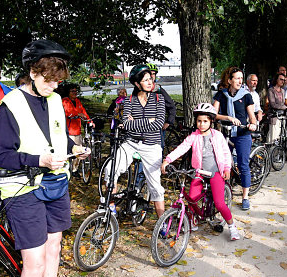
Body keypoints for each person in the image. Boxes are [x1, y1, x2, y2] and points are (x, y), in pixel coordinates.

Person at [0, 40, 89, 277]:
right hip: (22, 188)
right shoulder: (11, 105)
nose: (53, 85)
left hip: (55, 184)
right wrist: (38, 160)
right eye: (48, 79)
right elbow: (0, 156)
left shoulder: (57, 99)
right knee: (33, 262)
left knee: (54, 249)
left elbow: (57, 138)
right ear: (33, 72)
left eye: (58, 80)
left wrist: (75, 148)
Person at [161, 103, 240, 240]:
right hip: (199, 172)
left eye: (205, 121)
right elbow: (182, 148)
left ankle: (232, 226)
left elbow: (226, 153)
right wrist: (168, 160)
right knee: (191, 197)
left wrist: (226, 168)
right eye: (199, 121)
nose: (201, 124)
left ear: (211, 121)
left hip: (216, 172)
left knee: (220, 203)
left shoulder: (218, 136)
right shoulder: (194, 136)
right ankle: (193, 219)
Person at [104, 64, 166, 219]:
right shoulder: (129, 100)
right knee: (110, 169)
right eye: (146, 80)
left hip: (151, 145)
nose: (151, 82)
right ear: (138, 84)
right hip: (131, 143)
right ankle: (110, 207)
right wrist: (148, 120)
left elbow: (159, 124)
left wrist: (135, 122)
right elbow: (126, 124)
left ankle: (162, 222)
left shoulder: (159, 98)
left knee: (155, 187)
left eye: (151, 79)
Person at [213, 66, 258, 211]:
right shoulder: (221, 94)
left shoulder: (246, 95)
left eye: (241, 78)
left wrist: (253, 124)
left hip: (242, 134)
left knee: (243, 165)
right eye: (237, 78)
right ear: (229, 80)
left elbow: (251, 116)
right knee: (221, 163)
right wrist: (228, 118)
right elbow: (213, 114)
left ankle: (245, 197)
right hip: (225, 133)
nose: (240, 81)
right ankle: (222, 192)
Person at [62, 83, 94, 176]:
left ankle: (75, 169)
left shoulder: (78, 101)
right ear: (68, 92)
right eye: (72, 91)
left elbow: (84, 112)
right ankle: (66, 169)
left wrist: (90, 121)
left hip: (77, 130)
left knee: (78, 152)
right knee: (69, 152)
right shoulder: (65, 101)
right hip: (69, 131)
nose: (75, 93)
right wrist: (78, 114)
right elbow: (68, 112)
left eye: (76, 91)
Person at [266, 73, 287, 144]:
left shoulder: (283, 91)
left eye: (284, 80)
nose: (282, 81)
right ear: (276, 80)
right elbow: (273, 104)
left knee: (280, 135)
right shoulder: (271, 90)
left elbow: (283, 102)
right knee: (273, 136)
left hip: (282, 115)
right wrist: (285, 107)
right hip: (274, 115)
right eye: (281, 79)